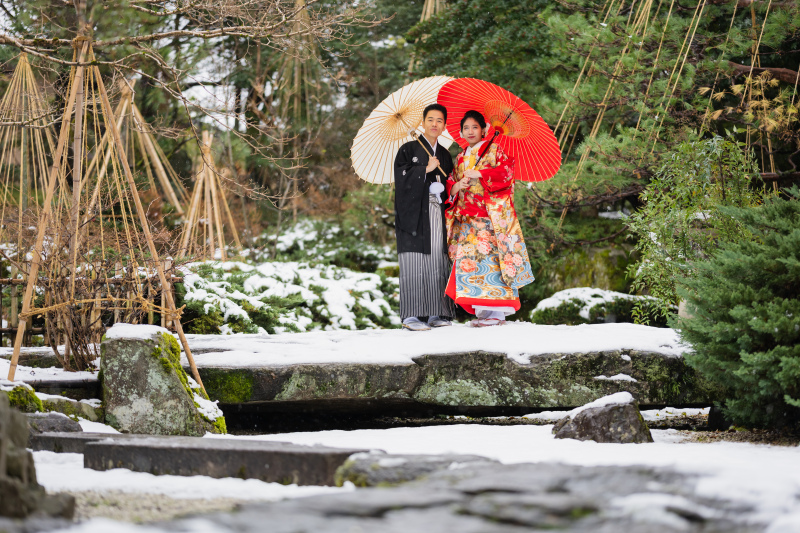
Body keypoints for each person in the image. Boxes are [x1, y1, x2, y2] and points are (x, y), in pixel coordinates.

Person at [445, 110, 534, 327]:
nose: (470, 131)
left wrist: (482, 174)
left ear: (484, 130)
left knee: (493, 265)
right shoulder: (461, 157)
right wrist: (458, 186)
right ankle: (484, 314)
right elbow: (451, 183)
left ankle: (497, 314)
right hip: (467, 220)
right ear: (461, 132)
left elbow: (506, 173)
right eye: (466, 128)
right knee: (473, 267)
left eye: (475, 127)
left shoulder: (494, 150)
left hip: (488, 218)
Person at [393, 103, 456, 331]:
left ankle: (436, 313)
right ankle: (412, 316)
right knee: (414, 259)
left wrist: (449, 187)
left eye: (439, 120)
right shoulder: (408, 150)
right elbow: (401, 179)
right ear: (422, 123)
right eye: (430, 119)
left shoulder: (445, 155)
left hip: (436, 210)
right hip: (412, 213)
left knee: (438, 260)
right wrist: (424, 170)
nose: (434, 124)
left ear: (444, 125)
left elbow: (448, 183)